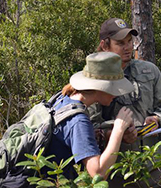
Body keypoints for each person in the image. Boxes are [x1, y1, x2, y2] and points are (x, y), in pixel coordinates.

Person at [89, 18, 161, 188]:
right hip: (117, 172)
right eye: (120, 43)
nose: (128, 47)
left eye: (130, 41)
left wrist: (157, 119)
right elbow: (89, 127)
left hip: (153, 167)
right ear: (104, 45)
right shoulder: (94, 79)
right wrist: (116, 134)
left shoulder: (150, 71)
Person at [46, 51, 134, 181]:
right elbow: (98, 173)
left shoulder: (62, 98)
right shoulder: (78, 120)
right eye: (114, 88)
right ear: (100, 87)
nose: (117, 94)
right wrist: (118, 129)